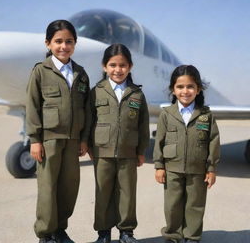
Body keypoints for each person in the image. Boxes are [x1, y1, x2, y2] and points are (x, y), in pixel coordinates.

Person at [26, 20, 90, 243]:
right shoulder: (40, 72)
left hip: (73, 142)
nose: (64, 46)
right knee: (47, 189)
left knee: (68, 188)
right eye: (58, 41)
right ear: (48, 43)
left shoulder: (81, 74)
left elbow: (86, 110)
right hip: (49, 140)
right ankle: (45, 234)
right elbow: (32, 106)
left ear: (75, 44)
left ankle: (60, 230)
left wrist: (84, 140)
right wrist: (35, 140)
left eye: (69, 41)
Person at [89, 44, 150, 243]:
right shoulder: (96, 91)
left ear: (130, 66)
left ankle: (126, 232)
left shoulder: (137, 94)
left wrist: (141, 151)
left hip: (128, 153)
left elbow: (143, 126)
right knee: (103, 193)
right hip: (102, 151)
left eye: (122, 65)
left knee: (127, 193)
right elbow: (89, 121)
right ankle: (103, 232)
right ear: (104, 66)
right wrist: (89, 146)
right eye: (113, 65)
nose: (118, 69)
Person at [153, 65, 220, 243]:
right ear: (173, 90)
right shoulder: (166, 114)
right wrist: (159, 166)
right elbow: (159, 141)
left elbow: (213, 141)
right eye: (180, 87)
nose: (185, 91)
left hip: (197, 169)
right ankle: (173, 235)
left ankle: (192, 236)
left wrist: (211, 168)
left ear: (198, 89)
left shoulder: (206, 115)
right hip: (172, 168)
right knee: (172, 205)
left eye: (190, 86)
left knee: (195, 205)